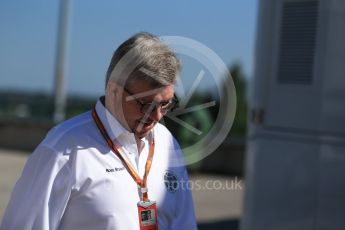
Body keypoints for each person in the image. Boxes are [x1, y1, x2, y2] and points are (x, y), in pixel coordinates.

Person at [0, 32, 197, 230]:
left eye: (165, 104)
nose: (157, 117)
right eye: (146, 104)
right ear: (113, 90)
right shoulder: (62, 150)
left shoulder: (166, 142)